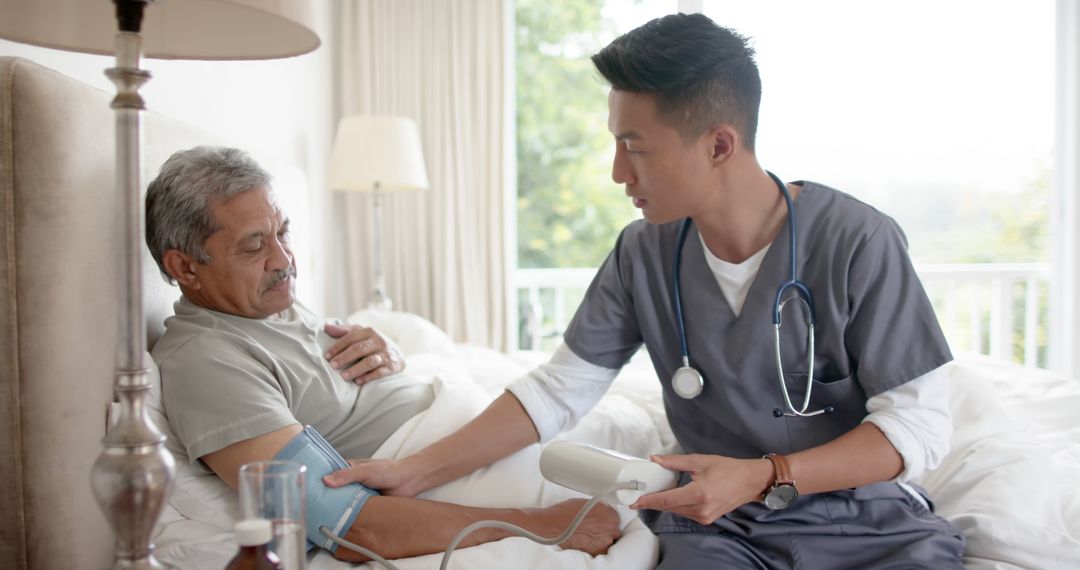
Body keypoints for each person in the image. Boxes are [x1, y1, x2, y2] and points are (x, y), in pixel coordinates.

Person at [323, 13, 966, 568]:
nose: (616, 173)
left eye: (635, 148)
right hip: (719, 528)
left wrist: (765, 475)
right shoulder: (644, 253)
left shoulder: (858, 241)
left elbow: (917, 425)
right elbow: (557, 390)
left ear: (719, 144)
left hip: (863, 521)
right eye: (615, 145)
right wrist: (412, 471)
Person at [146, 145, 621, 563]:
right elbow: (346, 523)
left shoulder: (265, 301)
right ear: (185, 266)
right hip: (439, 473)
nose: (285, 260)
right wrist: (541, 526)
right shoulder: (205, 360)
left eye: (283, 233)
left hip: (463, 436)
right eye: (255, 246)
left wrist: (393, 358)